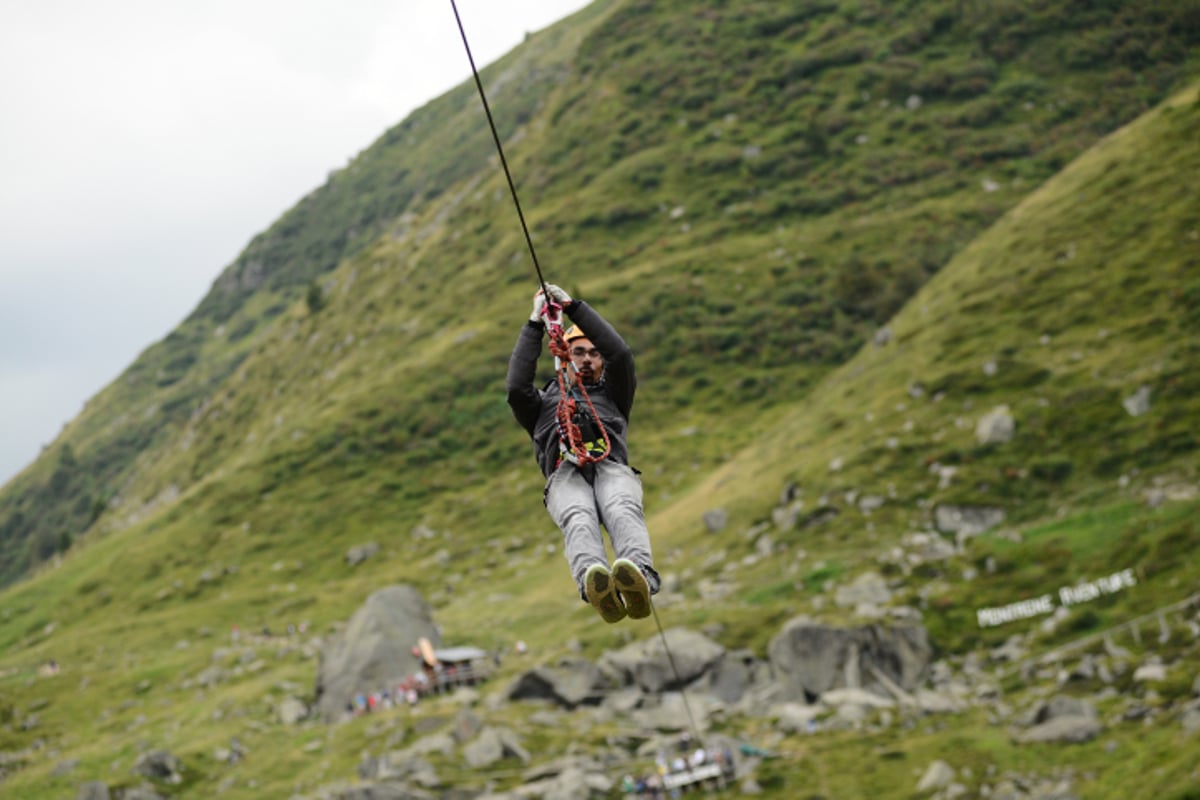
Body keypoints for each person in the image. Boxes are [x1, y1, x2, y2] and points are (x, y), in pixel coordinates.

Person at [506, 284, 661, 623]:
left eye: (594, 353)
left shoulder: (614, 395)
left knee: (621, 508)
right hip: (565, 474)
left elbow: (620, 354)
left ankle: (640, 578)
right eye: (579, 352)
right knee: (578, 517)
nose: (588, 359)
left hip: (610, 468)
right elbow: (516, 389)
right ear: (566, 355)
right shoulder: (542, 406)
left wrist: (574, 308)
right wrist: (534, 325)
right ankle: (595, 582)